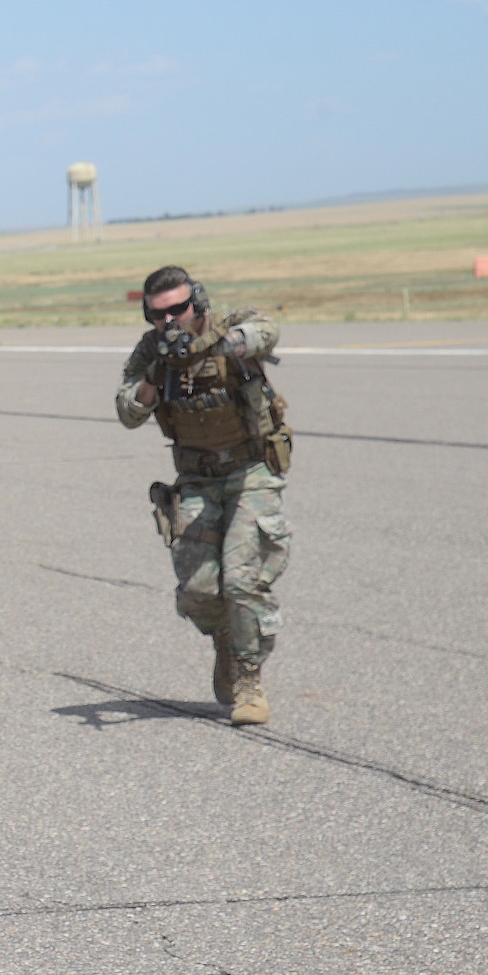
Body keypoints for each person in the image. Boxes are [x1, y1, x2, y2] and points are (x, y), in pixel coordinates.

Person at [117, 267, 293, 725]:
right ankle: (225, 645)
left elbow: (266, 330)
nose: (171, 319)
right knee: (197, 590)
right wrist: (155, 376)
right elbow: (127, 411)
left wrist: (221, 345)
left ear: (197, 300)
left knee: (241, 581)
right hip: (196, 478)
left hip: (250, 470)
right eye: (159, 314)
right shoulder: (150, 350)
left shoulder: (230, 325)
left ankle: (249, 682)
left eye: (179, 308)